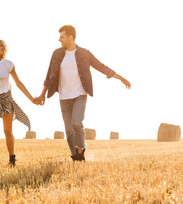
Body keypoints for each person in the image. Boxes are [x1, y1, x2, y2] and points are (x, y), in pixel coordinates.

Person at [34, 25, 131, 161]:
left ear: (70, 37)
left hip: (80, 94)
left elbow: (100, 66)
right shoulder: (56, 53)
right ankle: (76, 157)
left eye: (62, 37)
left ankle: (81, 149)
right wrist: (42, 94)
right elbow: (49, 74)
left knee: (76, 123)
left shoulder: (84, 53)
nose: (59, 40)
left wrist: (119, 77)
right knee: (68, 130)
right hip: (64, 96)